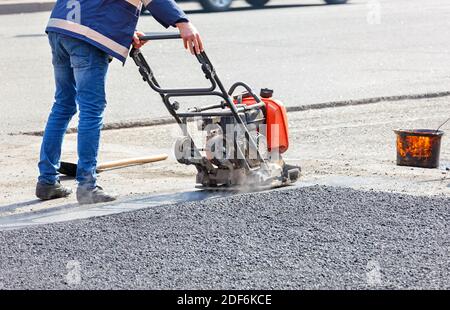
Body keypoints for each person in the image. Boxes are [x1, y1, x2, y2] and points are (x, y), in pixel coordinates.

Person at [36, 0, 203, 204]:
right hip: (85, 35)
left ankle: (46, 181)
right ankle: (87, 186)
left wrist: (121, 33)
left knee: (63, 105)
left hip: (60, 26)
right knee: (91, 109)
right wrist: (183, 22)